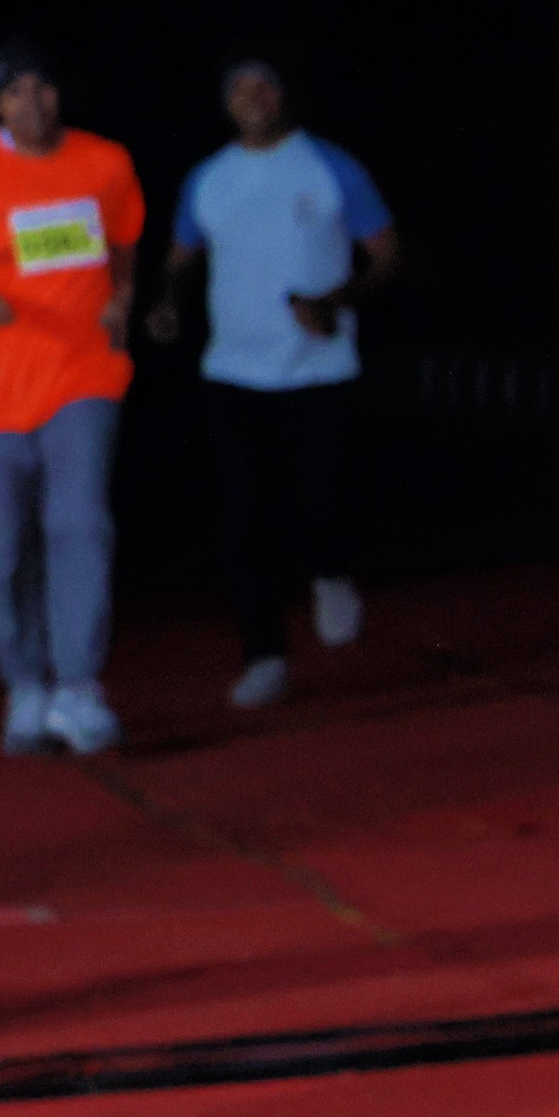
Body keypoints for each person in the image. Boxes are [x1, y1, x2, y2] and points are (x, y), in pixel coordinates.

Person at [0, 42, 143, 754]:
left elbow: (123, 241)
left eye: (43, 88)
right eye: (14, 93)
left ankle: (78, 685)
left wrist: (123, 294)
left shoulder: (105, 162)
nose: (31, 103)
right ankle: (26, 684)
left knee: (80, 524)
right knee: (6, 545)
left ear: (60, 93)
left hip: (82, 376)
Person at [150, 58, 397, 709]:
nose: (253, 97)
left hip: (319, 370)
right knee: (245, 518)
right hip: (233, 374)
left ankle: (331, 571)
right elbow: (180, 257)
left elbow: (386, 255)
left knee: (324, 501)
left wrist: (336, 299)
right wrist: (169, 303)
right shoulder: (209, 178)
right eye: (239, 87)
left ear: (284, 94)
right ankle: (264, 654)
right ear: (225, 101)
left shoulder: (330, 166)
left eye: (264, 85)